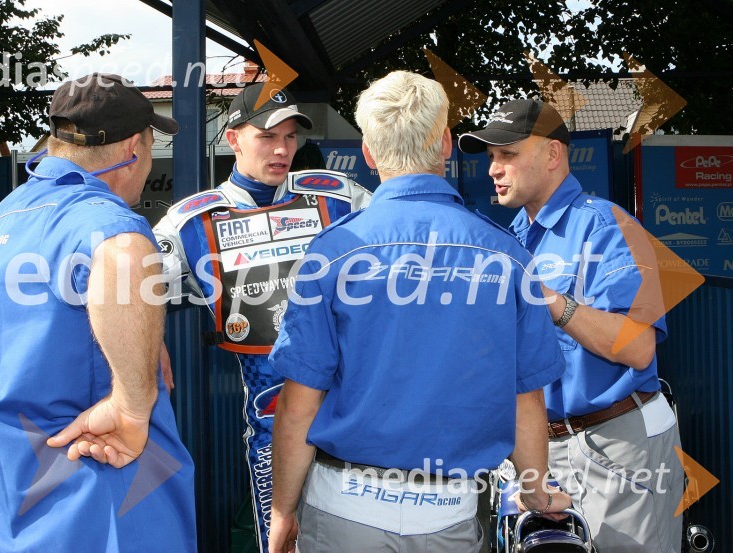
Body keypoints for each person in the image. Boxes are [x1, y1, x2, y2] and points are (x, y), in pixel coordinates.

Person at [267, 70, 571, 553]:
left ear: (368, 153)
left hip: (345, 509)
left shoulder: (331, 252)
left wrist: (282, 511)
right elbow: (526, 399)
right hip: (451, 516)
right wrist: (535, 490)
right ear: (447, 143)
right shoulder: (509, 256)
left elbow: (299, 404)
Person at [0, 73, 196, 553]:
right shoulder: (104, 219)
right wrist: (132, 403)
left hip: (17, 504)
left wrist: (143, 338)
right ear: (134, 147)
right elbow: (123, 253)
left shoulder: (2, 218)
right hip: (103, 495)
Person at [153, 82, 370, 552]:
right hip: (272, 419)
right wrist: (153, 343)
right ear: (233, 138)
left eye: (290, 137)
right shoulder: (192, 220)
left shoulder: (338, 198)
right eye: (267, 136)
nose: (282, 149)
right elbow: (134, 289)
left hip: (354, 416)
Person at [458, 98, 683, 552]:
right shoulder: (511, 239)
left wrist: (548, 299)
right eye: (491, 158)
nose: (493, 170)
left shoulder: (608, 225)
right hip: (536, 452)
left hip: (616, 443)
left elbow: (638, 348)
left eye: (507, 154)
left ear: (553, 155)